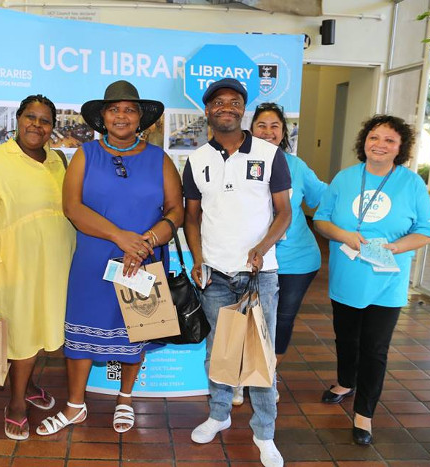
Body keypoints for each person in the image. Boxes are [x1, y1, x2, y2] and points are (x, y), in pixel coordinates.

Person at [36, 80, 183, 436]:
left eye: (129, 110)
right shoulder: (86, 154)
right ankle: (74, 406)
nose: (122, 115)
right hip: (94, 259)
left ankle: (125, 398)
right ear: (103, 116)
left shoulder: (159, 158)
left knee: (139, 328)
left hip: (144, 261)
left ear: (140, 118)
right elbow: (72, 207)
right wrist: (121, 238)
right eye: (114, 109)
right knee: (81, 332)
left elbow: (176, 211)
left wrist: (145, 241)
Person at [183, 78, 291, 467]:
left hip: (259, 275)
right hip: (215, 274)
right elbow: (191, 217)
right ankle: (219, 414)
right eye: (218, 102)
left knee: (261, 355)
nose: (226, 107)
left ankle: (265, 433)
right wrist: (197, 259)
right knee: (220, 350)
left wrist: (261, 250)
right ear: (208, 110)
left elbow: (285, 213)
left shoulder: (269, 153)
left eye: (234, 101)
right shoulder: (197, 160)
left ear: (242, 109)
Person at [314, 115, 430, 445]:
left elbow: (426, 231)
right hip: (348, 274)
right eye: (374, 137)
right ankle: (344, 381)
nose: (380, 144)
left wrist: (395, 247)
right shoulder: (345, 178)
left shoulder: (411, 184)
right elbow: (322, 220)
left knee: (375, 348)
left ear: (401, 148)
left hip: (388, 279)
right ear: (364, 141)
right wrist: (344, 235)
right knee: (345, 336)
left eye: (389, 140)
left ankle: (364, 414)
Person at [0, 94, 75, 440]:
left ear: (52, 128)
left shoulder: (58, 161)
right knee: (22, 333)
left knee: (39, 330)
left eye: (44, 120)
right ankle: (16, 405)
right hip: (13, 267)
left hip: (54, 266)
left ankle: (27, 384)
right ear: (18, 120)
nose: (36, 125)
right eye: (30, 117)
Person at [230, 103, 326, 406]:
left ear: (283, 132)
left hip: (296, 260)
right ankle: (240, 375)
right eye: (262, 125)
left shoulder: (297, 167)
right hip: (251, 260)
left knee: (280, 321)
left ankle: (267, 375)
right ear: (251, 128)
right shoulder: (235, 162)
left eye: (275, 126)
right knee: (245, 317)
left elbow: (325, 198)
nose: (268, 131)